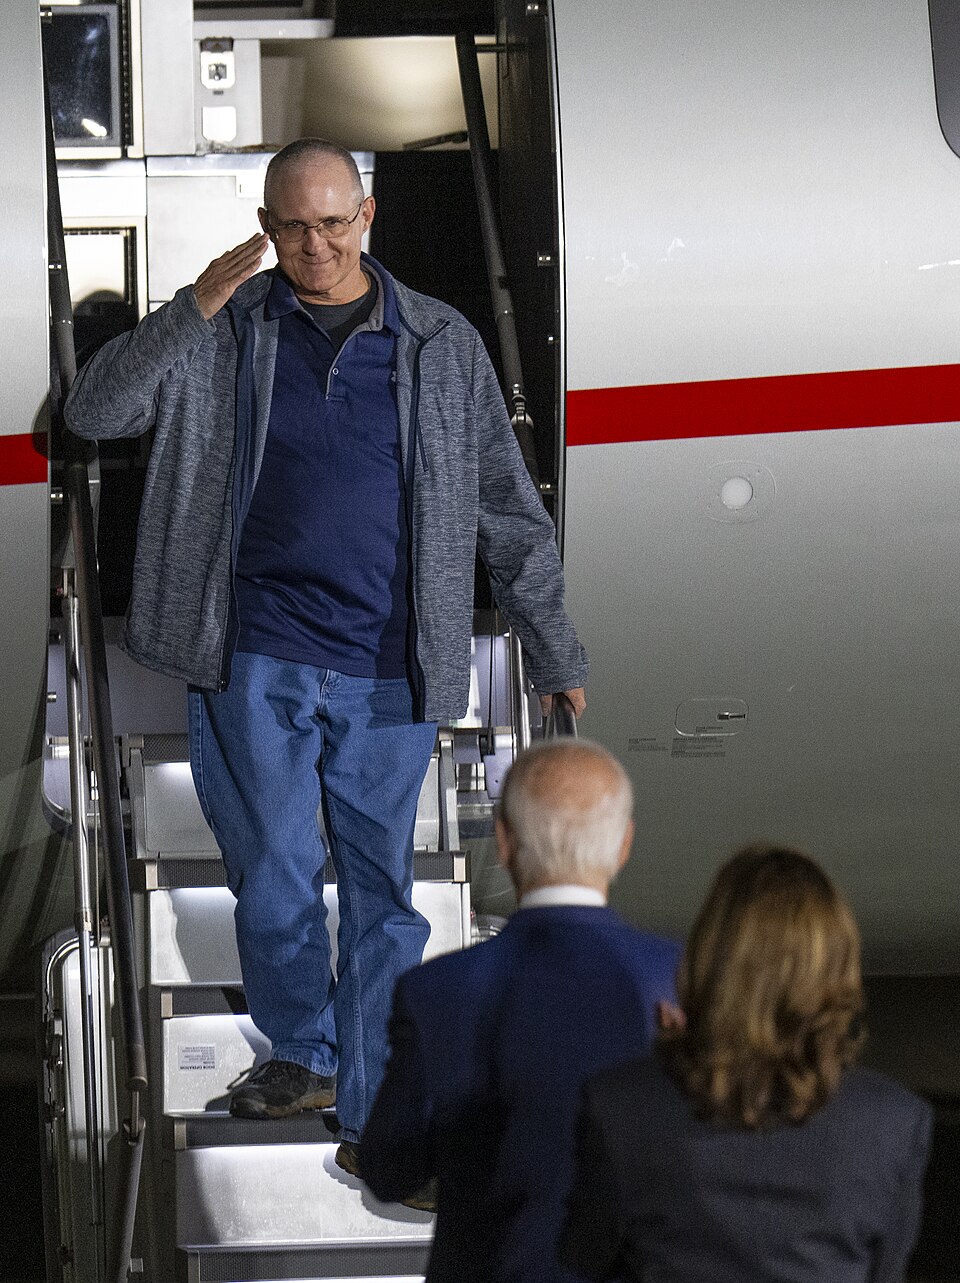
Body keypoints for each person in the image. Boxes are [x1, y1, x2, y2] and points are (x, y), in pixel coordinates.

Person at [63, 138, 587, 1158]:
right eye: (291, 227)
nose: (314, 247)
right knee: (272, 869)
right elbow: (95, 411)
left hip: (391, 661)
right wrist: (190, 308)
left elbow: (506, 508)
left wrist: (553, 646)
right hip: (253, 648)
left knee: (383, 887)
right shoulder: (220, 331)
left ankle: (377, 1086)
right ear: (266, 226)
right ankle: (302, 1051)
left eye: (333, 224)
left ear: (369, 216)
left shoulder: (440, 343)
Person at [359, 738, 681, 1276]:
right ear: (624, 845)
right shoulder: (680, 980)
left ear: (504, 843)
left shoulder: (437, 990)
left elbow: (389, 1170)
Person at [559, 845, 932, 1283]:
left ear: (709, 954)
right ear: (839, 964)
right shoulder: (895, 1121)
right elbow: (885, 1272)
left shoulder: (620, 1104)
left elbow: (587, 1256)